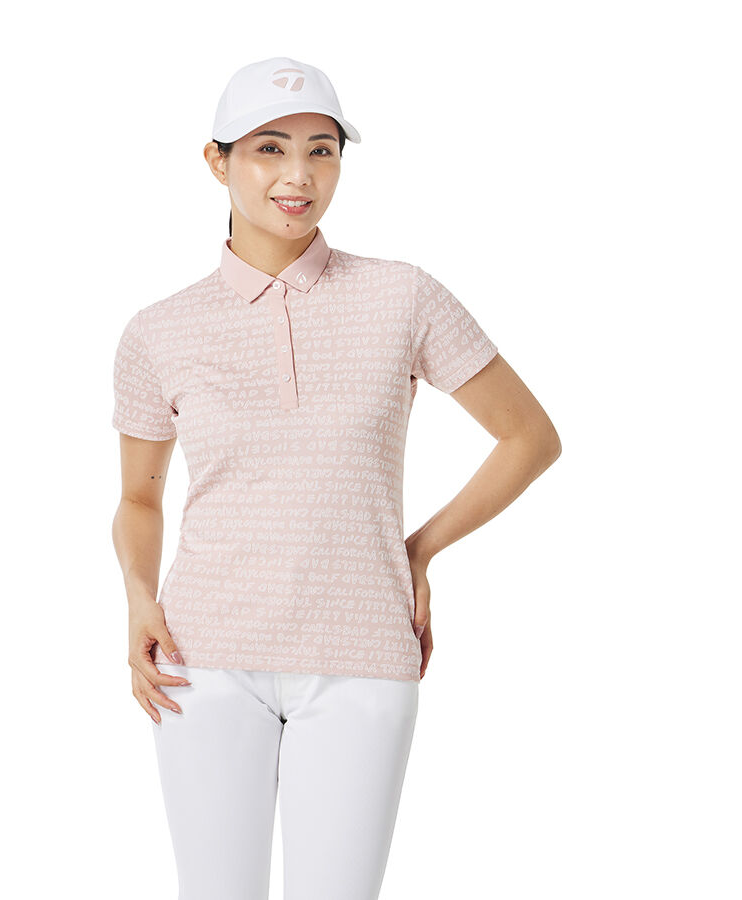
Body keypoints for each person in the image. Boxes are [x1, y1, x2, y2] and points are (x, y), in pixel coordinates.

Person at [111, 56, 561, 900]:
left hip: (363, 652)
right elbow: (139, 497)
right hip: (203, 658)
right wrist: (139, 598)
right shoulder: (159, 330)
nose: (299, 175)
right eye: (269, 149)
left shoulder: (404, 297)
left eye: (322, 150)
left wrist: (418, 551)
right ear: (216, 161)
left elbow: (530, 438)